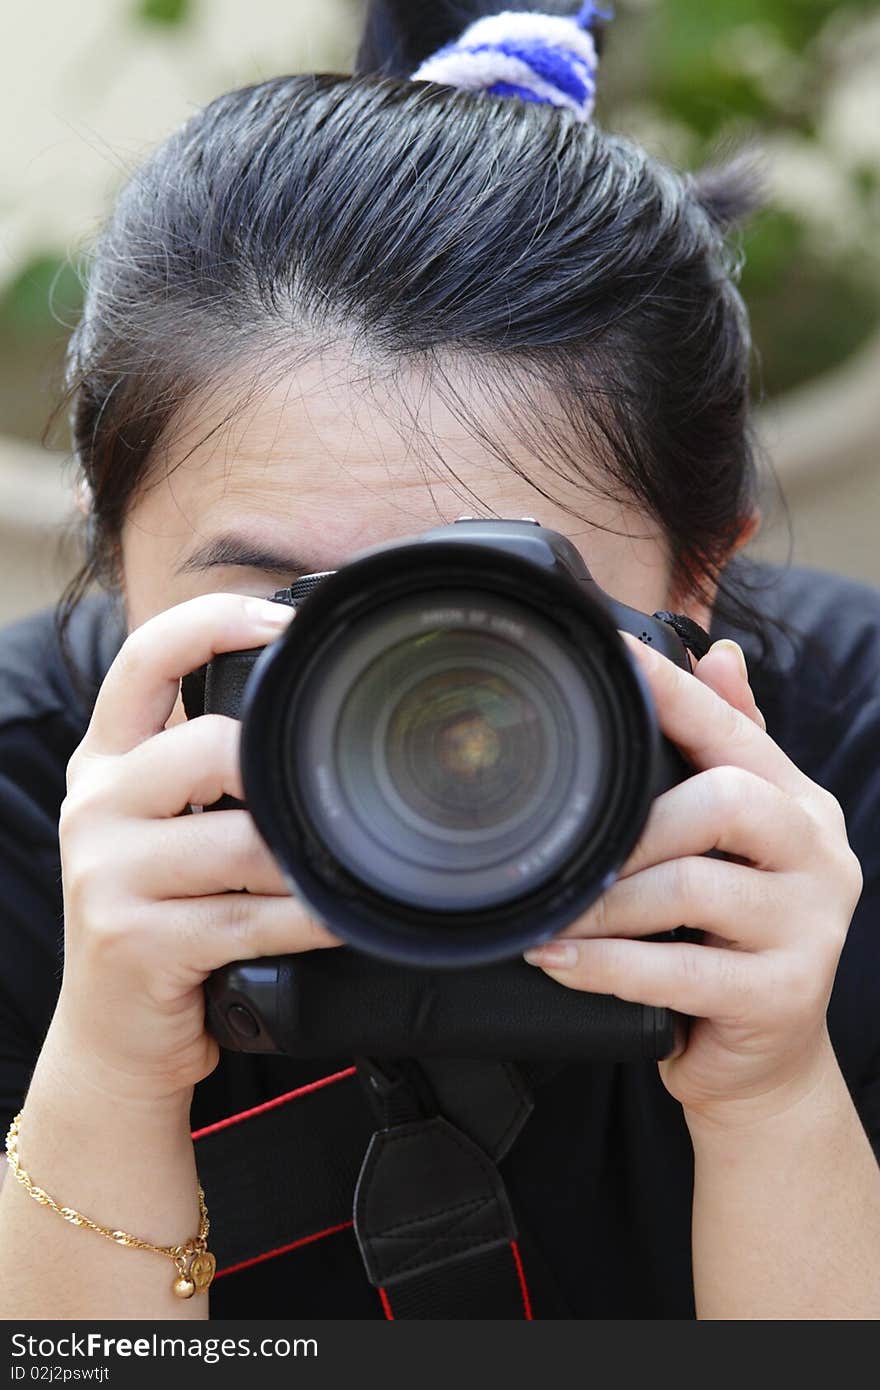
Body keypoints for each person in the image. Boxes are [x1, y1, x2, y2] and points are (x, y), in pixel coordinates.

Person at [0, 0, 878, 1321]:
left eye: (495, 597)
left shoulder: (845, 774)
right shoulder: (22, 805)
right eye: (281, 603)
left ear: (702, 571)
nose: (387, 684)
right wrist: (108, 1072)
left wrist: (773, 1091)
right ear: (116, 556)